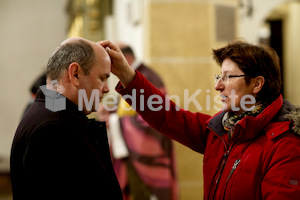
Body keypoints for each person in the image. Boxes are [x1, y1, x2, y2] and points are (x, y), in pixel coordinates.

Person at [98, 40, 300, 200]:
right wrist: (125, 73)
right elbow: (168, 116)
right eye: (218, 77)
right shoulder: (222, 130)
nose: (218, 86)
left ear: (257, 84)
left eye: (228, 77)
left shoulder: (285, 145)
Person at [10, 37, 123, 199]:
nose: (106, 89)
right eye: (102, 78)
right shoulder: (53, 128)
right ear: (75, 74)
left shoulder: (52, 112)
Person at [98, 44, 178, 200]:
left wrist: (114, 122)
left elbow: (154, 118)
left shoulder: (147, 77)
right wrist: (112, 109)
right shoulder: (134, 76)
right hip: (131, 150)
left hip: (145, 151)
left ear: (124, 57)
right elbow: (129, 107)